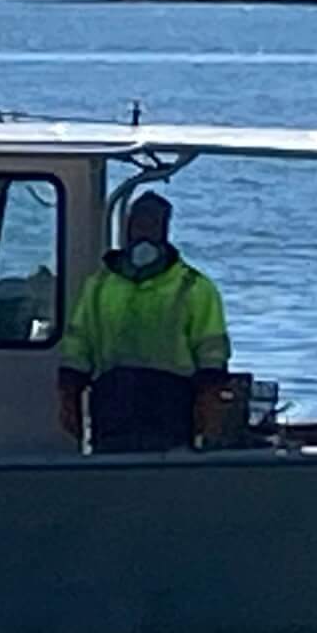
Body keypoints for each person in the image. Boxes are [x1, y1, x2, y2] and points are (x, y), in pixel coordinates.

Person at [59, 192, 231, 454]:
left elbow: (212, 354)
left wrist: (209, 404)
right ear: (126, 229)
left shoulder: (194, 287)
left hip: (170, 403)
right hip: (113, 401)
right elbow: (78, 345)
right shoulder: (99, 285)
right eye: (137, 225)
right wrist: (68, 396)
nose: (143, 233)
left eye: (152, 225)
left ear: (165, 230)